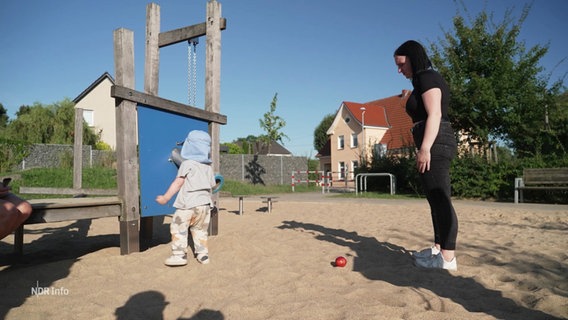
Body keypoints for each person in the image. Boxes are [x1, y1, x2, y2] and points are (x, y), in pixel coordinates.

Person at [394, 40, 459, 270]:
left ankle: (448, 258)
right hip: (433, 140)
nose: (399, 70)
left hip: (436, 141)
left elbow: (435, 114)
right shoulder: (421, 80)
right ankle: (438, 249)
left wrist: (425, 148)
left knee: (441, 199)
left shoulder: (427, 77)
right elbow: (422, 110)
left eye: (401, 64)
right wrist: (408, 97)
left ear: (413, 57)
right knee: (434, 198)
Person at [156, 130, 216, 267]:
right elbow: (213, 185)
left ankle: (179, 255)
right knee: (200, 230)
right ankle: (203, 254)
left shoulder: (187, 164)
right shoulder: (208, 168)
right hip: (205, 205)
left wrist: (166, 197)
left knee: (178, 227)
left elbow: (178, 182)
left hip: (188, 205)